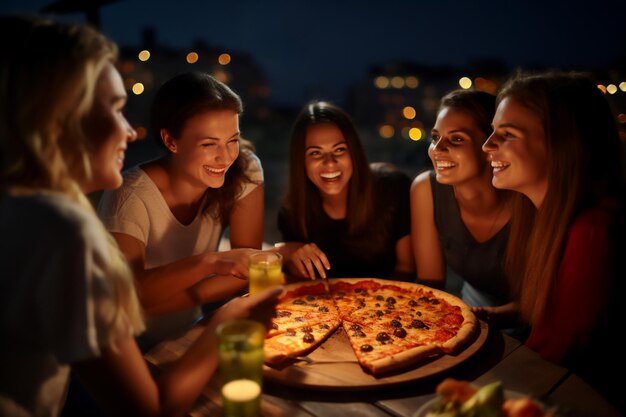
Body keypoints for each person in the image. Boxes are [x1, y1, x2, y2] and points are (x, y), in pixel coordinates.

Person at [0, 16, 281, 417]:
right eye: (115, 110)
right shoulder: (64, 230)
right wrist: (229, 320)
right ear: (58, 119)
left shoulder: (22, 210)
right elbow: (152, 410)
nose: (131, 132)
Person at [482, 71, 624, 407]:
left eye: (507, 134)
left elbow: (550, 356)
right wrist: (495, 316)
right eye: (492, 132)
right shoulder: (542, 216)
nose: (487, 146)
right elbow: (552, 312)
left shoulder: (593, 232)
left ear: (562, 144)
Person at [97, 72, 265, 348]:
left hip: (186, 333)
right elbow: (128, 297)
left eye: (232, 140)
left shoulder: (244, 169)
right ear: (171, 141)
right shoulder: (129, 195)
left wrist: (157, 302)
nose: (225, 157)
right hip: (121, 345)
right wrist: (209, 263)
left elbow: (249, 269)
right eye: (209, 144)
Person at [410, 90, 520, 330]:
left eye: (457, 139)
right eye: (435, 137)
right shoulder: (426, 190)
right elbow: (431, 286)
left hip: (533, 319)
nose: (438, 148)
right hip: (473, 310)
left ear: (491, 145)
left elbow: (547, 302)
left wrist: (477, 317)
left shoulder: (524, 197)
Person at [276, 101, 414, 280]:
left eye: (340, 150)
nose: (330, 162)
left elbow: (407, 269)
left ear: (354, 152)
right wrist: (288, 252)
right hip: (324, 305)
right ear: (301, 161)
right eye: (315, 153)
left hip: (391, 302)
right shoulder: (292, 212)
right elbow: (299, 278)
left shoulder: (393, 189)